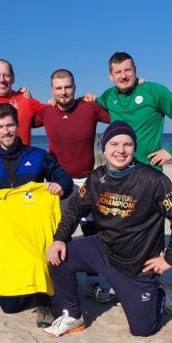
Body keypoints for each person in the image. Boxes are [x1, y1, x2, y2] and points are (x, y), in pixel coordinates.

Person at [44, 121, 172, 337]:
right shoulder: (96, 178)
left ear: (134, 148)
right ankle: (73, 317)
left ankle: (160, 294)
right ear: (104, 148)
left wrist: (169, 258)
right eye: (114, 144)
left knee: (142, 331)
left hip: (137, 265)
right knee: (58, 256)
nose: (121, 150)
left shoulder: (153, 180)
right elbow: (75, 208)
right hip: (103, 250)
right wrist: (60, 238)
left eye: (127, 144)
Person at [0, 103, 73, 328]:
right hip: (5, 239)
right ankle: (19, 283)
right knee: (10, 307)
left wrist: (59, 187)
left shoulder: (38, 156)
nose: (6, 131)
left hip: (34, 235)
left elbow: (64, 178)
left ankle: (43, 299)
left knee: (40, 267)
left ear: (18, 126)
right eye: (0, 126)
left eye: (10, 125)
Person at [34, 68, 113, 303]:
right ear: (51, 90)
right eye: (58, 88)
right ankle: (62, 281)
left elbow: (121, 113)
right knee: (60, 233)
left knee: (92, 232)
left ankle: (94, 282)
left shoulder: (89, 107)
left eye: (67, 87)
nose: (63, 92)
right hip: (58, 183)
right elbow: (16, 121)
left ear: (75, 88)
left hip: (88, 180)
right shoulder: (45, 111)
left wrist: (106, 98)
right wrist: (24, 95)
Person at [96, 52, 172, 171]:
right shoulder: (108, 96)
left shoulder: (154, 90)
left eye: (128, 70)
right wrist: (87, 98)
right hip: (118, 170)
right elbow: (89, 107)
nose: (123, 76)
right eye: (118, 72)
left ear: (135, 70)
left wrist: (171, 150)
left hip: (148, 170)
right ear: (111, 76)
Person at [0, 59, 45, 156]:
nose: (2, 80)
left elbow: (52, 113)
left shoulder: (25, 98)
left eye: (6, 75)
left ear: (13, 78)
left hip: (22, 161)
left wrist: (53, 101)